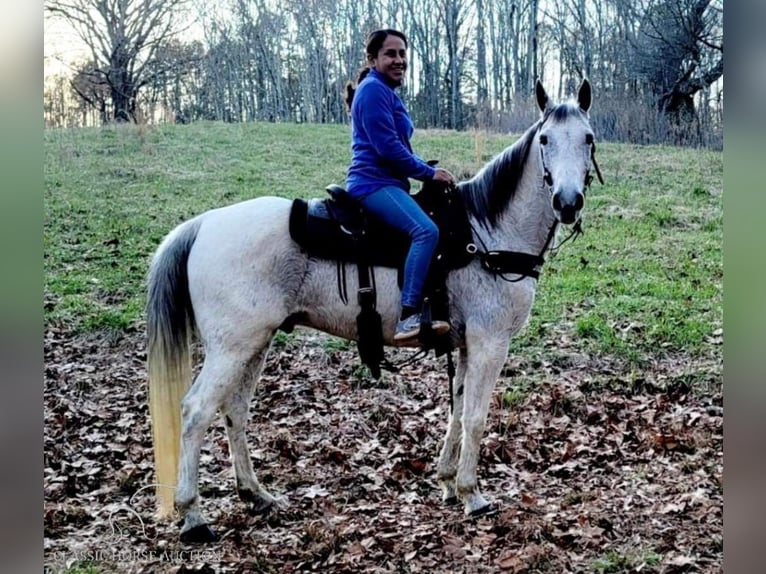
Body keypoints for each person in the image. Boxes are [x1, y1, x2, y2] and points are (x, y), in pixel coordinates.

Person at [344, 28, 455, 343]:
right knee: (426, 231)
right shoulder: (373, 91)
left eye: (402, 54)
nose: (398, 60)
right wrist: (427, 174)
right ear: (373, 58)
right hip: (372, 184)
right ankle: (409, 316)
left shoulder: (383, 92)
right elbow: (388, 149)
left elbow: (398, 147)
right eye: (390, 54)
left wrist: (423, 169)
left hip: (388, 182)